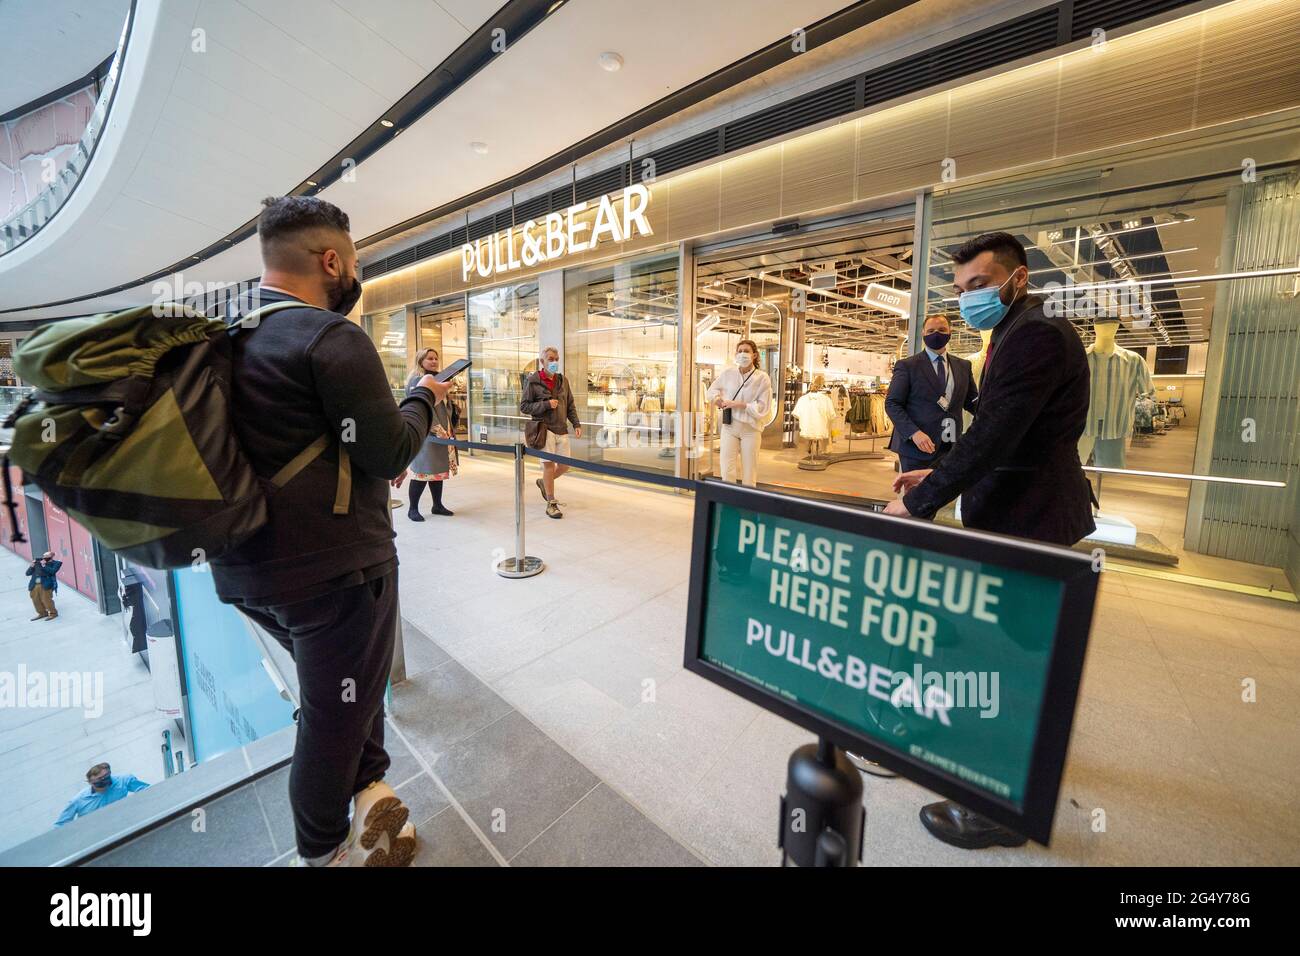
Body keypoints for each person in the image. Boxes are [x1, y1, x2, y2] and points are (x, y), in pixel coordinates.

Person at [210, 196, 453, 867]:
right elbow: (391, 450)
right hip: (335, 573)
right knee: (329, 717)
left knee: (346, 690)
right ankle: (323, 853)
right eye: (354, 262)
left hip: (249, 573)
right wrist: (423, 395)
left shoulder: (231, 342)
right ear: (331, 261)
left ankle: (372, 789)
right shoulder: (330, 336)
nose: (354, 273)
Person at [884, 230, 1094, 850]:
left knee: (1009, 660)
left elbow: (998, 434)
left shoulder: (1034, 336)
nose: (969, 299)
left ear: (1017, 278)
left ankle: (1001, 809)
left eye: (979, 286)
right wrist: (934, 474)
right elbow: (1005, 437)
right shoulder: (1010, 333)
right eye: (962, 289)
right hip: (1021, 509)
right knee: (1015, 653)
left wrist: (920, 500)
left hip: (1031, 520)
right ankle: (1021, 769)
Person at [885, 313, 979, 482]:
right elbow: (892, 403)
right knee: (917, 498)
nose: (936, 334)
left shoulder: (963, 366)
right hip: (917, 447)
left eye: (942, 329)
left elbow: (972, 401)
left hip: (949, 444)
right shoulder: (907, 366)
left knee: (940, 493)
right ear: (923, 334)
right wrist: (914, 433)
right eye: (931, 330)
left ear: (950, 332)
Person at [520, 346, 580, 519]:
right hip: (544, 429)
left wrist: (576, 423)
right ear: (542, 361)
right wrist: (545, 405)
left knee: (564, 466)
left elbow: (570, 404)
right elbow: (524, 406)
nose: (554, 362)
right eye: (550, 359)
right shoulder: (532, 381)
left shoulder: (563, 381)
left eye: (556, 359)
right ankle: (551, 503)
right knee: (548, 465)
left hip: (561, 429)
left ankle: (544, 483)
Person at [401, 347, 460, 520]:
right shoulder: (418, 380)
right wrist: (436, 427)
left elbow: (444, 405)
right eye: (430, 359)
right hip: (427, 432)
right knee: (423, 471)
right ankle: (413, 509)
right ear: (421, 361)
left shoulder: (438, 378)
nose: (434, 361)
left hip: (443, 431)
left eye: (436, 358)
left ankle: (437, 505)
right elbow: (421, 406)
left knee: (438, 470)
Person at [706, 339, 772, 487]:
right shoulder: (728, 373)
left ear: (754, 355)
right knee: (726, 467)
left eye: (746, 351)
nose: (742, 354)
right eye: (740, 351)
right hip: (730, 427)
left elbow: (763, 407)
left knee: (749, 470)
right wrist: (717, 399)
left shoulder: (762, 378)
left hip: (751, 429)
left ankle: (747, 503)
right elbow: (711, 390)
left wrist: (740, 404)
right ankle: (728, 501)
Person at [54, 763, 148, 827]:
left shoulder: (123, 780)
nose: (104, 781)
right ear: (90, 783)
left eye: (106, 777)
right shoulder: (78, 800)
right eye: (99, 779)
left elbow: (147, 791)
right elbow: (60, 825)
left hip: (122, 824)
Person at [26, 550, 61, 621]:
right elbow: (27, 573)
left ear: (51, 557)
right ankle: (42, 613)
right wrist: (31, 566)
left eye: (46, 556)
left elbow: (52, 571)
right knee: (36, 600)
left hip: (45, 584)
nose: (44, 557)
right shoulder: (37, 563)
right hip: (34, 584)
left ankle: (53, 613)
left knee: (46, 600)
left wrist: (44, 565)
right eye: (43, 556)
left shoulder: (56, 563)